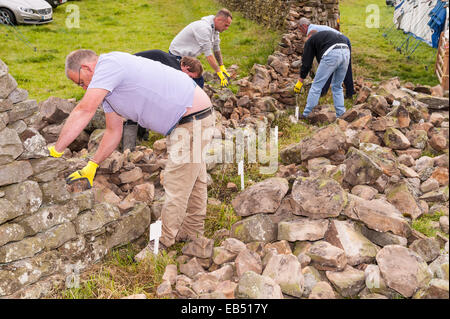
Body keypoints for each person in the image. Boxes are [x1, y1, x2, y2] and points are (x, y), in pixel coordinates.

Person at [47, 49, 215, 259]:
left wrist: (56, 150)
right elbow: (113, 131)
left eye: (81, 82)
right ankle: (192, 231)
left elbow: (84, 109)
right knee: (194, 179)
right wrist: (92, 165)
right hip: (189, 120)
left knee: (177, 182)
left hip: (192, 120)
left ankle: (161, 245)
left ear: (86, 68)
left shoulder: (108, 66)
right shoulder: (109, 93)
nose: (84, 88)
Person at [123, 50, 205, 151]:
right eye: (190, 76)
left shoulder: (175, 63)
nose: (189, 79)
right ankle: (127, 149)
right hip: (130, 74)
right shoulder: (174, 69)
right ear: (186, 68)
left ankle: (141, 136)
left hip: (139, 74)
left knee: (147, 105)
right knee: (137, 109)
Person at [169, 8, 233, 88]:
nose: (227, 28)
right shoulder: (204, 28)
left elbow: (216, 48)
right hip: (177, 55)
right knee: (187, 82)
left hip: (188, 57)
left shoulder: (215, 29)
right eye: (226, 25)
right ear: (219, 20)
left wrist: (221, 66)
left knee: (198, 81)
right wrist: (219, 72)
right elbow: (208, 54)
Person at [294, 30, 350, 119]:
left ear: (309, 36)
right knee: (337, 86)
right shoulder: (324, 37)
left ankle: (307, 114)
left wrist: (301, 80)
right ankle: (341, 114)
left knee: (316, 86)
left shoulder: (310, 40)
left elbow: (306, 63)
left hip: (332, 52)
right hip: (346, 51)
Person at [297, 17, 355, 99]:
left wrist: (301, 78)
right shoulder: (315, 28)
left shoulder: (311, 32)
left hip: (341, 41)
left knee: (342, 68)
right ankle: (349, 93)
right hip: (342, 40)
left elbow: (309, 57)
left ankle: (324, 92)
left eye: (300, 29)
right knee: (344, 67)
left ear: (304, 26)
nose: (300, 32)